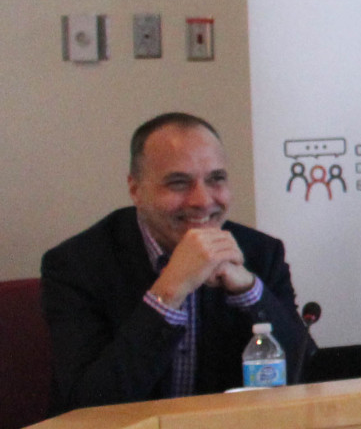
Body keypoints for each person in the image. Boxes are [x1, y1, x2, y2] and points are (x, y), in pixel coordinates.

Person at [41, 113, 312, 412]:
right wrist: (170, 290)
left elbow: (308, 375)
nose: (202, 200)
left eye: (216, 179)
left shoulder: (261, 253)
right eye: (179, 183)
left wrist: (248, 289)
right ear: (136, 190)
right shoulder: (77, 265)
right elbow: (88, 405)